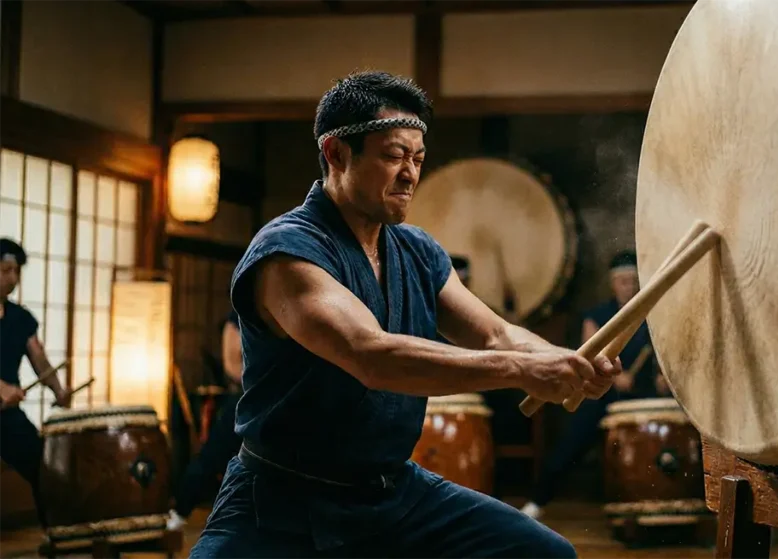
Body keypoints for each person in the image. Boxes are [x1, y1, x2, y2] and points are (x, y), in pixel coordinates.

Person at [188, 71, 621, 558]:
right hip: (281, 503)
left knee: (544, 554)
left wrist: (568, 361)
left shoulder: (418, 251)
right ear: (335, 153)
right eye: (393, 155)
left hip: (391, 495)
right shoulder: (287, 252)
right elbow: (371, 355)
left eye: (417, 158)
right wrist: (524, 370)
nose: (410, 173)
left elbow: (496, 334)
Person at [520, 250, 670, 520]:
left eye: (634, 281)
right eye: (624, 281)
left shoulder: (654, 315)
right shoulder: (598, 315)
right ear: (613, 283)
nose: (630, 287)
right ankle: (536, 501)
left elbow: (664, 357)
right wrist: (614, 377)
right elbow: (588, 357)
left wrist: (662, 377)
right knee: (572, 440)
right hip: (603, 390)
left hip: (641, 394)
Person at [0, 238, 72, 527]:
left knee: (42, 466)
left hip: (6, 416)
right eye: (5, 271)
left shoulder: (20, 319)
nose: (13, 279)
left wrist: (58, 389)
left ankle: (56, 534)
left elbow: (39, 359)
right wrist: (2, 388)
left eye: (16, 272)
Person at [167, 310, 244, 530]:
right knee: (211, 457)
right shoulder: (237, 318)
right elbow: (233, 366)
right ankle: (181, 510)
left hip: (279, 400)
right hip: (247, 396)